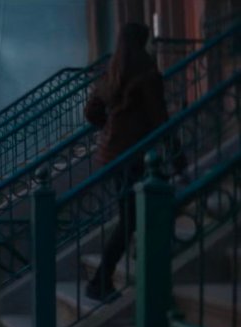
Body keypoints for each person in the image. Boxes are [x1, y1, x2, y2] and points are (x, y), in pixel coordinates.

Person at [84, 23, 169, 301]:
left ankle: (124, 273)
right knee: (131, 218)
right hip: (133, 154)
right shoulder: (146, 71)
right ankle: (101, 281)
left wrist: (111, 127)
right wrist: (176, 155)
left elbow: (92, 110)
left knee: (133, 215)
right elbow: (160, 117)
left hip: (114, 154)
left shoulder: (114, 70)